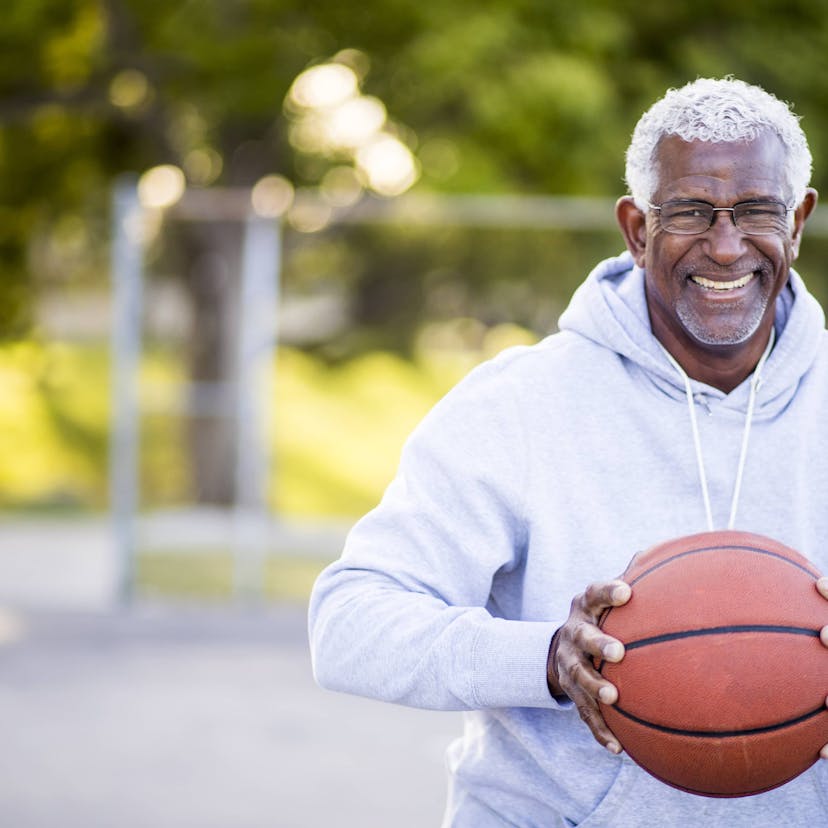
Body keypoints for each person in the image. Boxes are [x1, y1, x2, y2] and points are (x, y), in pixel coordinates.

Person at [308, 77, 828, 826]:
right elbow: (349, 623)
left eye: (756, 212)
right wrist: (547, 658)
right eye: (688, 213)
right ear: (636, 228)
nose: (725, 245)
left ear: (799, 221)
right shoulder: (519, 404)